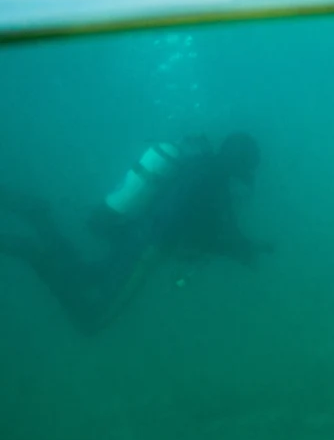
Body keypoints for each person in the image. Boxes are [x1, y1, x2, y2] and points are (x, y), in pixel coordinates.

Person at [0, 132, 272, 336]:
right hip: (147, 250)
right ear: (238, 162)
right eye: (247, 167)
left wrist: (242, 246)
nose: (247, 176)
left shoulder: (198, 165)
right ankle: (32, 249)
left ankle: (40, 217)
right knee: (91, 321)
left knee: (83, 275)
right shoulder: (214, 183)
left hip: (134, 234)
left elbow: (210, 227)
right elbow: (202, 230)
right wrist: (240, 251)